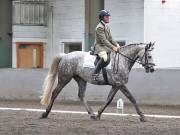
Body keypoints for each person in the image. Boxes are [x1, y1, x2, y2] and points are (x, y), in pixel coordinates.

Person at [92, 9, 121, 81]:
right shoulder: (99, 27)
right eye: (106, 16)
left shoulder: (107, 26)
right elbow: (104, 41)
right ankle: (95, 73)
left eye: (108, 16)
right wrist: (113, 47)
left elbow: (111, 38)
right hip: (100, 46)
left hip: (105, 47)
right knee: (105, 58)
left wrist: (117, 44)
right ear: (102, 17)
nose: (108, 17)